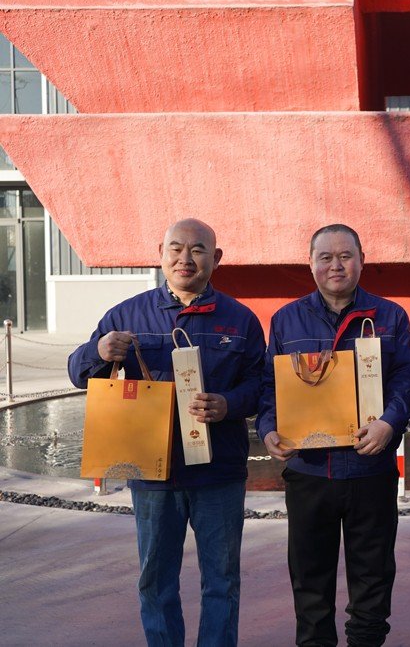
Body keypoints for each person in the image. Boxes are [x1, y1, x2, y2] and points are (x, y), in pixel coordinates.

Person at [68, 219, 266, 646]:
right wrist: (97, 351)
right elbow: (79, 374)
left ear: (216, 258)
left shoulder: (240, 320)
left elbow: (261, 387)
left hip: (218, 472)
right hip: (153, 474)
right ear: (160, 253)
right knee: (155, 582)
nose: (185, 258)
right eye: (176, 248)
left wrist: (229, 404)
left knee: (222, 581)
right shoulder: (126, 315)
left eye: (197, 249)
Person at [255, 224, 410, 647]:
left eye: (345, 256)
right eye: (325, 257)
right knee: (310, 578)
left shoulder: (390, 317)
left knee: (373, 577)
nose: (336, 265)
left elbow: (406, 380)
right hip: (309, 472)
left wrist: (390, 422)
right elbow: (270, 386)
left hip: (371, 469)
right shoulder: (286, 320)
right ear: (310, 263)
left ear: (362, 260)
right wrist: (269, 428)